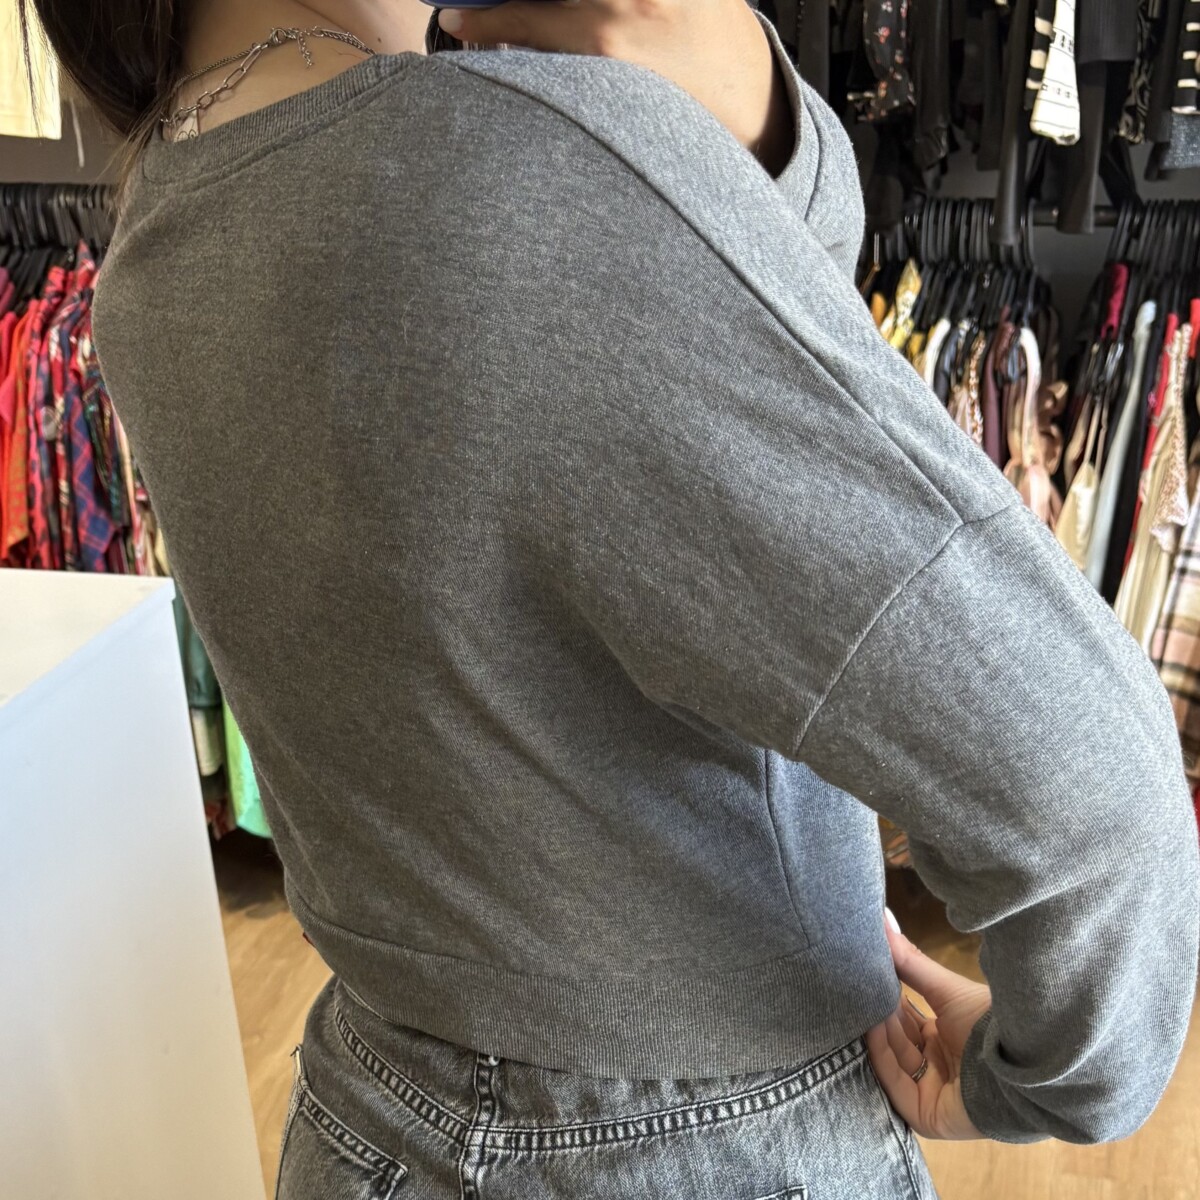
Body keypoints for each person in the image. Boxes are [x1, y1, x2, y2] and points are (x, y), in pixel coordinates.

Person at [20, 1, 1200, 1197]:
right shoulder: (525, 174)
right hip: (704, 1148)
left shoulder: (162, 218)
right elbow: (1095, 799)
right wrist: (1037, 1080)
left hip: (367, 1108)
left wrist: (749, 122)